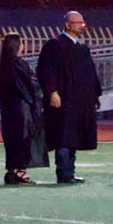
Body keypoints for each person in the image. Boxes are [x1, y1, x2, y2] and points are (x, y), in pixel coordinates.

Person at [35, 11, 98, 184]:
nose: (82, 25)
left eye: (82, 22)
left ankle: (70, 172)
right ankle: (63, 173)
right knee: (64, 135)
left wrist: (94, 96)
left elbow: (90, 74)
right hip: (63, 100)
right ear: (68, 25)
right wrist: (52, 91)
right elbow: (46, 70)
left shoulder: (82, 47)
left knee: (74, 136)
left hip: (79, 101)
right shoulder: (54, 45)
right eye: (78, 22)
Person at [0, 32, 46, 185]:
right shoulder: (19, 63)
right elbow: (29, 84)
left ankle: (12, 170)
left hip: (8, 108)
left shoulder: (4, 64)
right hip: (22, 107)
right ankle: (20, 171)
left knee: (11, 139)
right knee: (23, 138)